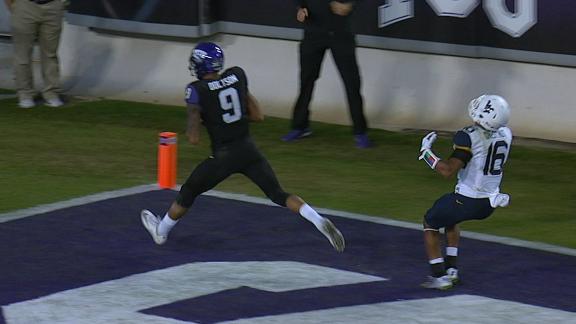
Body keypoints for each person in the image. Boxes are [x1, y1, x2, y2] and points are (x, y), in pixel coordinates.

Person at [141, 42, 345, 252]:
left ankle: (161, 231)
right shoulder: (237, 75)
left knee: (189, 192)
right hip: (248, 150)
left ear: (201, 65)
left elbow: (193, 138)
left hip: (223, 156)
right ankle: (318, 219)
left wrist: (204, 118)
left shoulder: (196, 89)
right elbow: (258, 116)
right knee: (277, 194)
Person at [417, 94, 512, 290]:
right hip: (489, 203)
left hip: (469, 199)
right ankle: (452, 270)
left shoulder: (468, 135)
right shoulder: (506, 134)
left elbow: (447, 170)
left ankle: (439, 276)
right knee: (451, 218)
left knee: (430, 221)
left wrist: (427, 153)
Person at [282, 0, 371, 148]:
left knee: (352, 83)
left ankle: (360, 132)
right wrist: (302, 9)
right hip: (313, 33)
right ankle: (300, 127)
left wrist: (350, 4)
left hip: (340, 34)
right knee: (306, 81)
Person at [5, 0, 65, 108]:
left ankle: (51, 93)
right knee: (22, 55)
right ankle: (25, 94)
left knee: (50, 54)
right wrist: (15, 7)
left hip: (53, 6)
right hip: (24, 5)